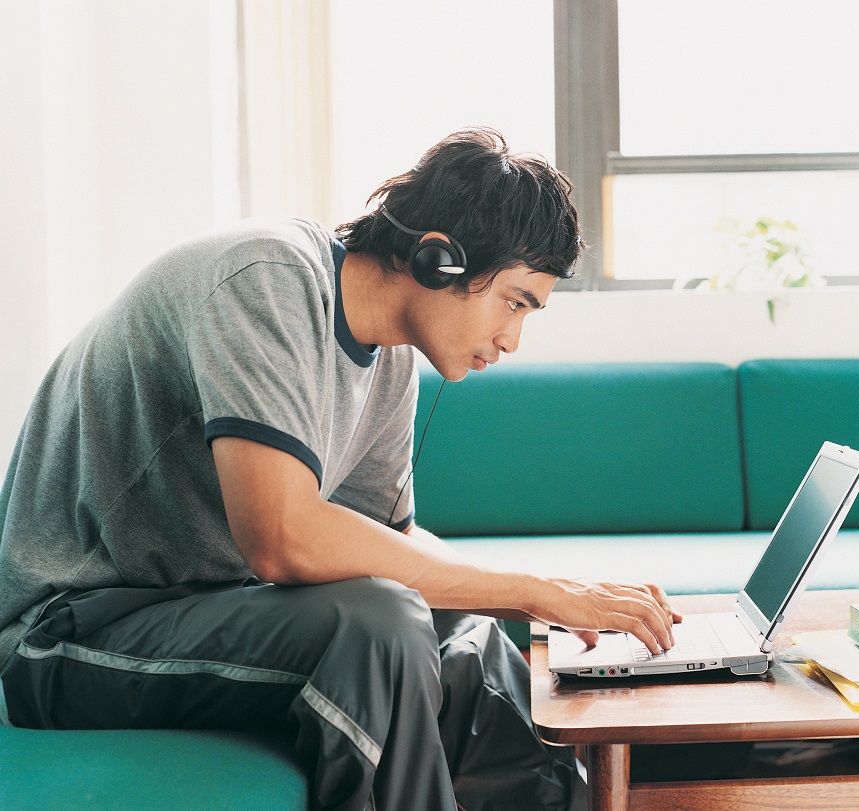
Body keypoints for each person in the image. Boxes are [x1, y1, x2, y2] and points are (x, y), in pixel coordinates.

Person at [0, 128, 679, 810]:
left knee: (466, 639)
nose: (512, 338)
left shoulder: (390, 365)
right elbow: (282, 536)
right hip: (66, 632)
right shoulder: (267, 281)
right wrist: (532, 588)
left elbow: (386, 541)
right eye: (514, 301)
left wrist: (559, 601)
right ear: (439, 258)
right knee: (381, 627)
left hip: (195, 611)